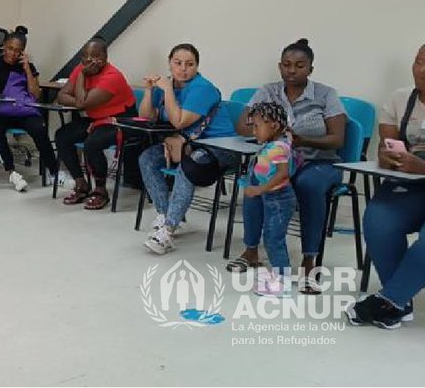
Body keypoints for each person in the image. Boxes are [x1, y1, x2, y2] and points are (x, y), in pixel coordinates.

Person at [232, 39, 346, 293]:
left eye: (299, 65)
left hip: (318, 160)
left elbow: (337, 138)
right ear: (279, 66)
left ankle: (309, 260)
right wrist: (271, 131)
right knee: (255, 178)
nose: (292, 70)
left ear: (311, 69)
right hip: (278, 157)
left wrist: (303, 139)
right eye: (286, 65)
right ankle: (251, 251)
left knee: (309, 185)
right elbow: (242, 125)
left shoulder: (326, 94)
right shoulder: (268, 91)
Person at [348, 43, 425, 330]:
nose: (423, 70)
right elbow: (386, 144)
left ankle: (389, 301)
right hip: (410, 185)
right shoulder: (399, 99)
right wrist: (386, 156)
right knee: (378, 221)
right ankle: (399, 302)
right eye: (419, 61)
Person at [139, 43, 239, 254]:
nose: (183, 69)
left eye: (189, 64)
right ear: (169, 63)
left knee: (189, 165)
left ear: (197, 67)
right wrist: (149, 91)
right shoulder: (170, 85)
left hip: (221, 148)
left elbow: (179, 122)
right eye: (177, 63)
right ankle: (167, 213)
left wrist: (166, 89)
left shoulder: (202, 88)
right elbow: (147, 116)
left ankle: (168, 229)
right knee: (147, 158)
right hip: (189, 145)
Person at [0, 28, 59, 192]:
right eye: (10, 48)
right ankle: (12, 172)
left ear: (22, 52)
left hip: (21, 110)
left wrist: (26, 70)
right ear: (4, 46)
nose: (12, 53)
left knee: (39, 128)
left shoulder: (28, 67)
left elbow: (35, 94)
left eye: (17, 51)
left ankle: (54, 172)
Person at [53, 37, 137, 208]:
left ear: (105, 56)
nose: (90, 61)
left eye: (96, 56)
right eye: (85, 56)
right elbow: (61, 96)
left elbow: (83, 103)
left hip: (120, 120)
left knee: (93, 143)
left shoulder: (112, 76)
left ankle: (100, 191)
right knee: (62, 136)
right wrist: (77, 99)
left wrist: (82, 80)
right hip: (96, 118)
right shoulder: (80, 69)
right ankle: (81, 184)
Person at [238, 102, 299, 297]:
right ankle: (278, 276)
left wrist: (259, 189)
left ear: (273, 125)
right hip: (271, 198)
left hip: (279, 199)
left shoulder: (279, 147)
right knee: (270, 237)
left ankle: (282, 282)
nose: (253, 131)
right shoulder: (273, 144)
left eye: (257, 126)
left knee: (274, 239)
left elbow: (282, 174)